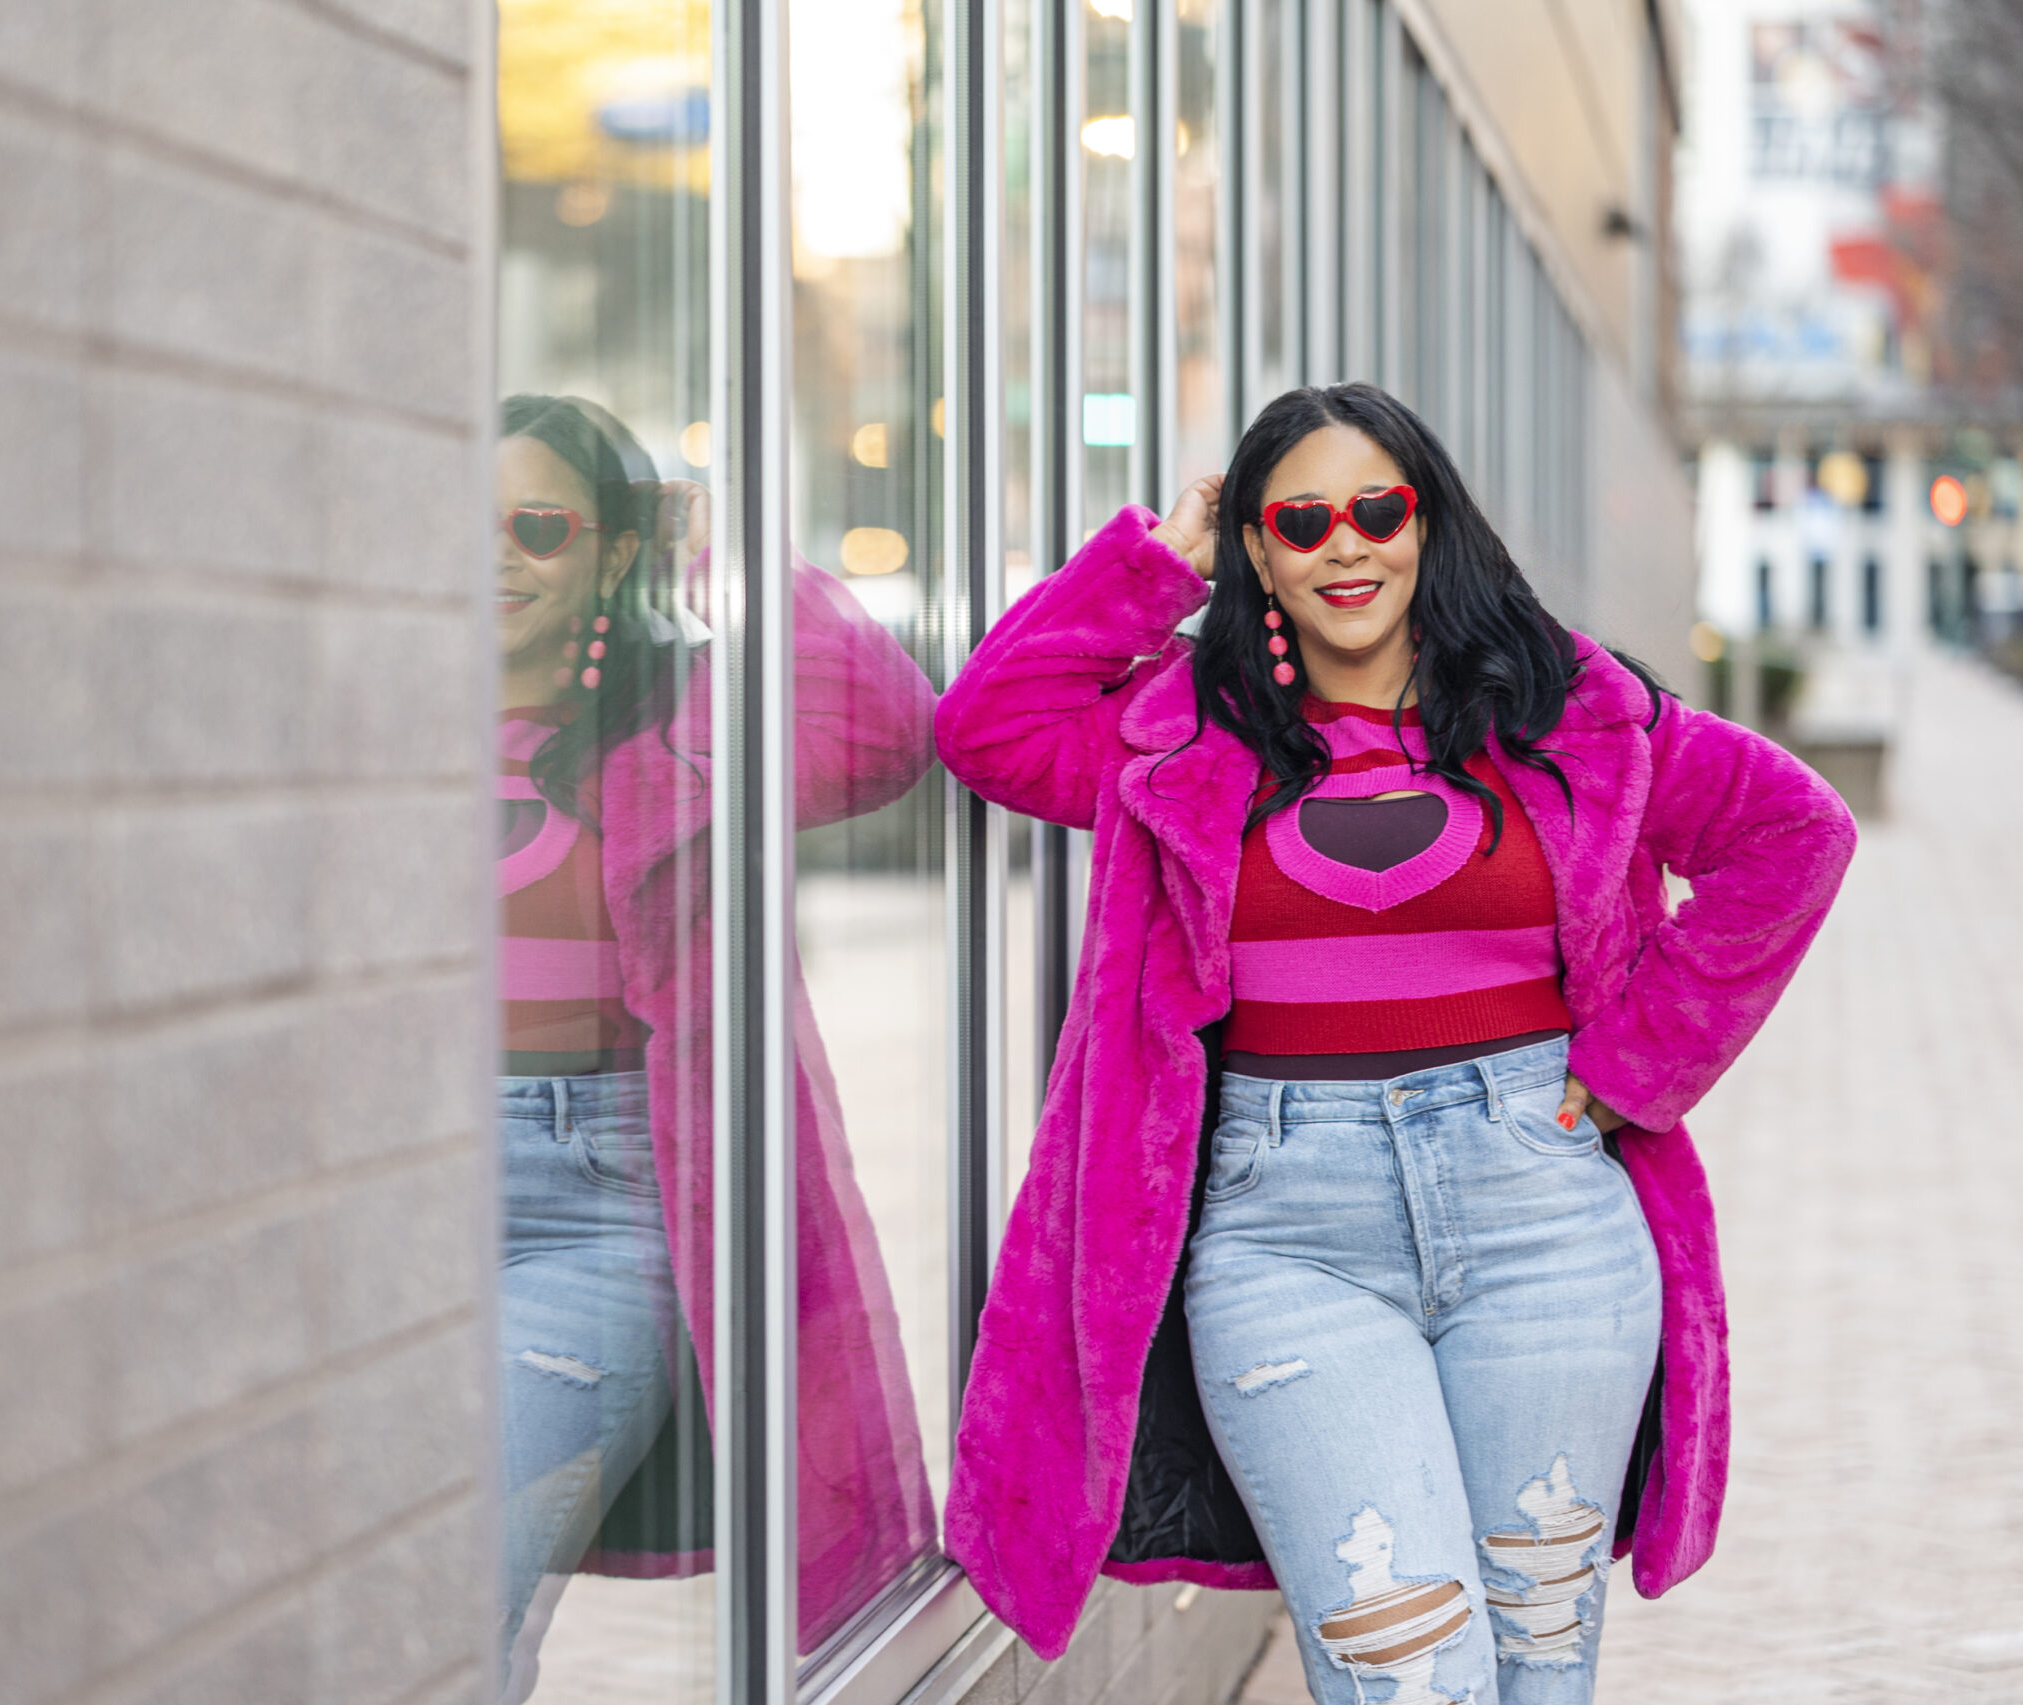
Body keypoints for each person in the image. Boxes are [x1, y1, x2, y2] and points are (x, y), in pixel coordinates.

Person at [935, 383, 1855, 1702]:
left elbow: (1793, 834)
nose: (1346, 545)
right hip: (1283, 1237)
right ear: (1256, 549)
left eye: (1378, 508)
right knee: (1406, 1672)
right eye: (1300, 521)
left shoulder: (1564, 708)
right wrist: (1154, 561)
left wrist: (1629, 1072)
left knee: (1539, 1666)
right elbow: (988, 725)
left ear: (1427, 522)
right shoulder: (1179, 734)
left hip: (1549, 1226)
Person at [492, 395, 938, 1698]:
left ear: (610, 554)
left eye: (537, 526)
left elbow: (881, 725)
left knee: (452, 1594)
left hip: (593, 1212)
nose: (496, 556)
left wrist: (721, 547)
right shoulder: (367, 715)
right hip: (385, 1199)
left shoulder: (675, 726)